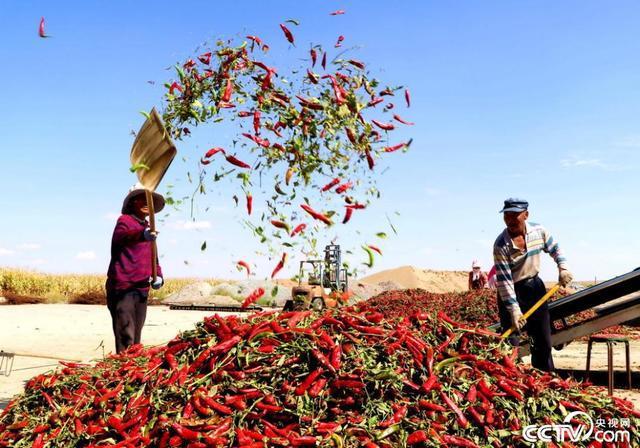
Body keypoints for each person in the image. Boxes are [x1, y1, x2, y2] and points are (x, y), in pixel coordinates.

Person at [493, 198, 573, 372]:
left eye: (515, 215)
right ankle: (511, 377)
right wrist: (514, 310)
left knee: (542, 339)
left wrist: (563, 268)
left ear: (526, 215)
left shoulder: (539, 231)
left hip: (535, 288)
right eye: (507, 215)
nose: (510, 220)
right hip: (511, 293)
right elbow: (504, 282)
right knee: (511, 342)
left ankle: (545, 375)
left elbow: (556, 249)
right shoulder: (501, 245)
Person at [106, 184, 165, 353]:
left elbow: (154, 257)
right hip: (123, 287)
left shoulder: (149, 228)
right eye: (143, 198)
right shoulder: (125, 221)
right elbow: (122, 237)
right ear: (132, 202)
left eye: (151, 200)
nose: (148, 202)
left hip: (141, 289)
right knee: (126, 334)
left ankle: (131, 368)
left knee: (136, 336)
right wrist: (141, 235)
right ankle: (122, 371)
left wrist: (158, 275)